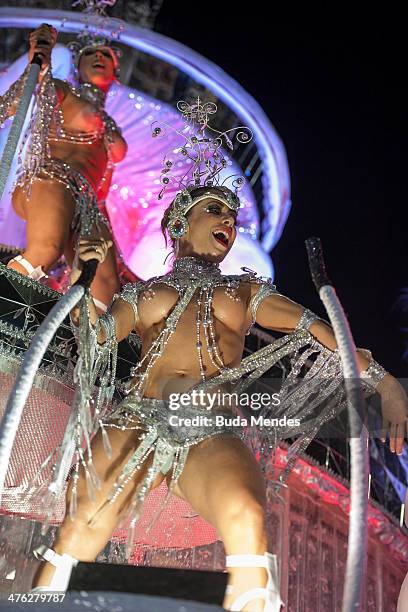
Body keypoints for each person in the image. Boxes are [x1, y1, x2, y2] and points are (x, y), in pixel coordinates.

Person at [28, 181, 408, 611]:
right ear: (180, 224)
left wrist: (387, 384)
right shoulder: (143, 293)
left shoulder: (244, 292)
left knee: (246, 516)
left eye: (232, 214)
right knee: (79, 528)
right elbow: (93, 342)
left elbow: (327, 334)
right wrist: (83, 279)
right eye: (214, 209)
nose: (228, 220)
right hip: (137, 420)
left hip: (210, 428)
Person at [0, 24, 128, 311]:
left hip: (86, 201)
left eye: (106, 55)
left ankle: (80, 351)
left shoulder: (112, 125)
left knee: (104, 285)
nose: (98, 57)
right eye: (90, 53)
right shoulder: (63, 91)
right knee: (46, 249)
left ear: (116, 72)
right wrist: (39, 57)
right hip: (51, 179)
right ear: (78, 64)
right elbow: (19, 98)